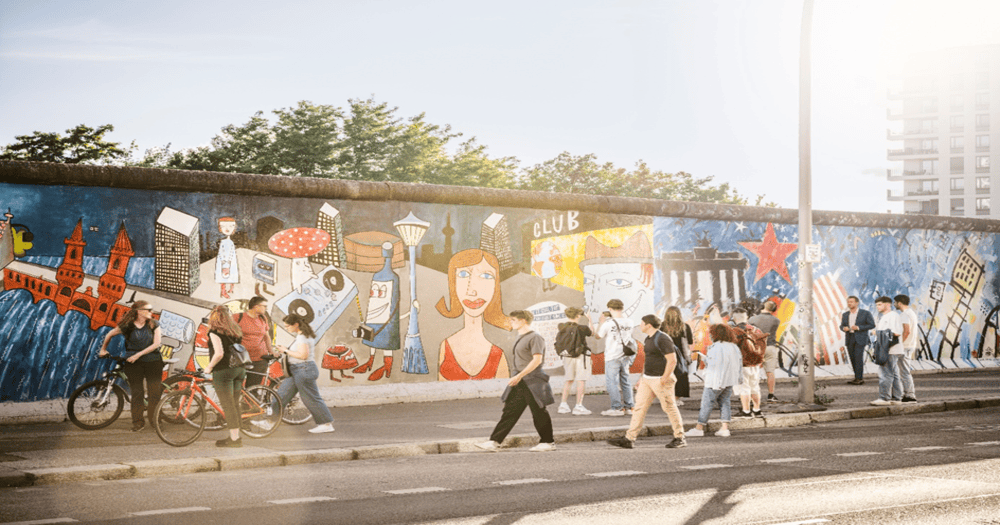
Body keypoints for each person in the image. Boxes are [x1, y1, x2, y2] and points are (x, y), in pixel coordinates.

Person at [476, 310, 556, 452]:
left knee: (538, 411)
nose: (510, 322)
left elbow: (537, 360)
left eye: (513, 320)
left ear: (523, 320)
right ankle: (494, 441)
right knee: (510, 411)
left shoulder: (535, 337)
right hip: (520, 381)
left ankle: (548, 442)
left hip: (532, 381)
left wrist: (519, 376)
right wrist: (518, 377)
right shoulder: (521, 337)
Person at [607, 314, 686, 449]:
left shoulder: (662, 338)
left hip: (660, 379)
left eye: (642, 323)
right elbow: (648, 359)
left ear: (649, 325)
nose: (640, 325)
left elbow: (672, 360)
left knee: (669, 407)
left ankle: (680, 437)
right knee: (639, 408)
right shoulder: (649, 338)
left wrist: (665, 378)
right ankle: (629, 438)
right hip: (647, 379)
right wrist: (641, 378)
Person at [436, 249, 512, 381]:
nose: (472, 291)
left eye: (486, 276)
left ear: (496, 287)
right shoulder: (446, 345)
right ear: (452, 282)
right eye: (464, 274)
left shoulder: (498, 355)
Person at [97, 301, 163, 432]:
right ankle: (138, 422)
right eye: (148, 309)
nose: (151, 312)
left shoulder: (154, 324)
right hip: (133, 363)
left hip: (153, 361)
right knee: (137, 392)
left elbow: (157, 344)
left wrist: (138, 355)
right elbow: (109, 334)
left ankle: (155, 420)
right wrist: (103, 349)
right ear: (138, 311)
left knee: (154, 392)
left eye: (151, 309)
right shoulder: (127, 326)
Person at [274, 314, 336, 433]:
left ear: (296, 325)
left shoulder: (302, 337)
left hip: (304, 370)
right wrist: (287, 349)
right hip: (297, 371)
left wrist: (285, 351)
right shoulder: (302, 336)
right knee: (280, 395)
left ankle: (326, 424)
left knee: (311, 398)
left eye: (288, 326)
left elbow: (303, 355)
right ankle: (270, 421)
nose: (286, 328)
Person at [202, 305, 247, 447]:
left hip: (224, 371)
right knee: (234, 404)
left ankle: (234, 440)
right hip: (239, 370)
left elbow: (219, 353)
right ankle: (235, 437)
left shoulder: (214, 332)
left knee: (228, 405)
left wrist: (209, 367)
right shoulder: (235, 331)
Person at [687, 324, 742, 438]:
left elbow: (714, 365)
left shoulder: (715, 347)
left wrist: (704, 359)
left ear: (716, 334)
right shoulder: (734, 347)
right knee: (725, 402)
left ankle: (699, 428)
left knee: (707, 404)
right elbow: (739, 364)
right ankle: (724, 428)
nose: (710, 336)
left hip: (715, 381)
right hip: (729, 380)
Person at [595, 299, 635, 416]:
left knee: (612, 382)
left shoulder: (608, 323)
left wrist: (601, 322)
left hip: (612, 356)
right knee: (626, 381)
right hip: (626, 355)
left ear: (610, 309)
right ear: (622, 308)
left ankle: (616, 408)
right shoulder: (630, 322)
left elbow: (598, 336)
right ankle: (630, 407)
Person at [556, 307, 593, 416]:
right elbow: (592, 333)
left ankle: (563, 405)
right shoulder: (582, 328)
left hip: (567, 355)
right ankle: (578, 406)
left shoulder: (561, 327)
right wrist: (590, 319)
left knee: (569, 380)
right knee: (581, 380)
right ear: (578, 316)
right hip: (581, 356)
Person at [234, 295, 274, 388]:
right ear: (256, 306)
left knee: (252, 389)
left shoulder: (263, 318)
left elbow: (267, 337)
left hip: (260, 360)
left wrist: (272, 351)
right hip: (241, 359)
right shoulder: (238, 317)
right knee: (235, 387)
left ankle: (248, 403)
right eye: (264, 306)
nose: (266, 308)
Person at [871, 296, 904, 406]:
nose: (877, 307)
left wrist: (878, 333)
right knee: (893, 374)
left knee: (885, 374)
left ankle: (884, 398)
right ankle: (897, 397)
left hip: (889, 350)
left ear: (888, 304)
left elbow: (897, 332)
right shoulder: (884, 316)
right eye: (876, 305)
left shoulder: (893, 316)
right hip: (887, 349)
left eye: (880, 304)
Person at [730, 308, 763, 419]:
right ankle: (757, 410)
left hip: (741, 365)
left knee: (744, 389)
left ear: (734, 318)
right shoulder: (756, 330)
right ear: (747, 317)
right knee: (755, 387)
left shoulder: (734, 331)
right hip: (755, 364)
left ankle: (746, 412)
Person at [748, 300, 781, 402]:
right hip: (770, 347)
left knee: (754, 372)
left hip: (756, 347)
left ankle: (752, 395)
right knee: (770, 372)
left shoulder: (752, 319)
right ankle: (771, 395)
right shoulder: (776, 320)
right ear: (774, 309)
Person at [660, 306, 693, 405]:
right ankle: (676, 398)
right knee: (681, 377)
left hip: (665, 356)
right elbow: (690, 342)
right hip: (681, 356)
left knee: (667, 376)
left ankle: (668, 397)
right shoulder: (685, 327)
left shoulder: (662, 327)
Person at [840, 296, 876, 385]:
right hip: (849, 338)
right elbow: (841, 326)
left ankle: (859, 378)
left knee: (858, 358)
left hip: (860, 338)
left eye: (851, 302)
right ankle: (857, 377)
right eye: (848, 302)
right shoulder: (845, 314)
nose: (849, 303)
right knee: (852, 358)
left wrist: (859, 327)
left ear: (857, 303)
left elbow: (872, 325)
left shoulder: (865, 313)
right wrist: (843, 328)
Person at [894, 294, 918, 403]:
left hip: (904, 346)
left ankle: (910, 394)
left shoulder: (904, 315)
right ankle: (905, 393)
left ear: (899, 303)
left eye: (895, 302)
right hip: (910, 345)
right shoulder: (911, 313)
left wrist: (900, 344)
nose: (894, 304)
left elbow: (906, 331)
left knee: (904, 371)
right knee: (903, 370)